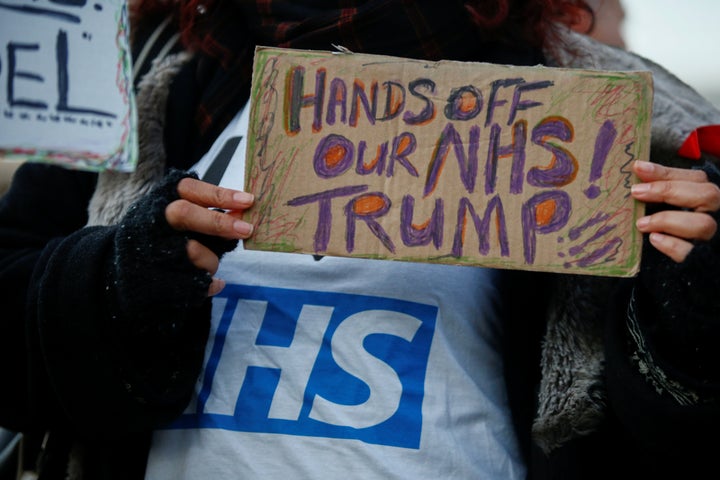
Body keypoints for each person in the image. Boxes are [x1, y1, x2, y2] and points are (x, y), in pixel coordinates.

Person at [1, 1, 719, 478]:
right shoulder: (146, 89)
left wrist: (695, 312)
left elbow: (659, 429)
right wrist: (111, 282)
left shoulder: (591, 110)